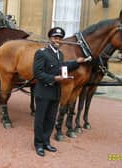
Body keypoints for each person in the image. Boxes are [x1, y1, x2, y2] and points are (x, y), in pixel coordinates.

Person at [33, 27, 85, 157]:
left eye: (60, 38)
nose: (58, 40)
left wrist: (76, 63)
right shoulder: (42, 52)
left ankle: (46, 142)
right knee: (40, 119)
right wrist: (54, 78)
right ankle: (38, 144)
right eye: (55, 38)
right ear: (50, 39)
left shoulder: (59, 54)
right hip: (43, 91)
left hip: (55, 92)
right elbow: (37, 73)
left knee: (50, 119)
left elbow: (61, 67)